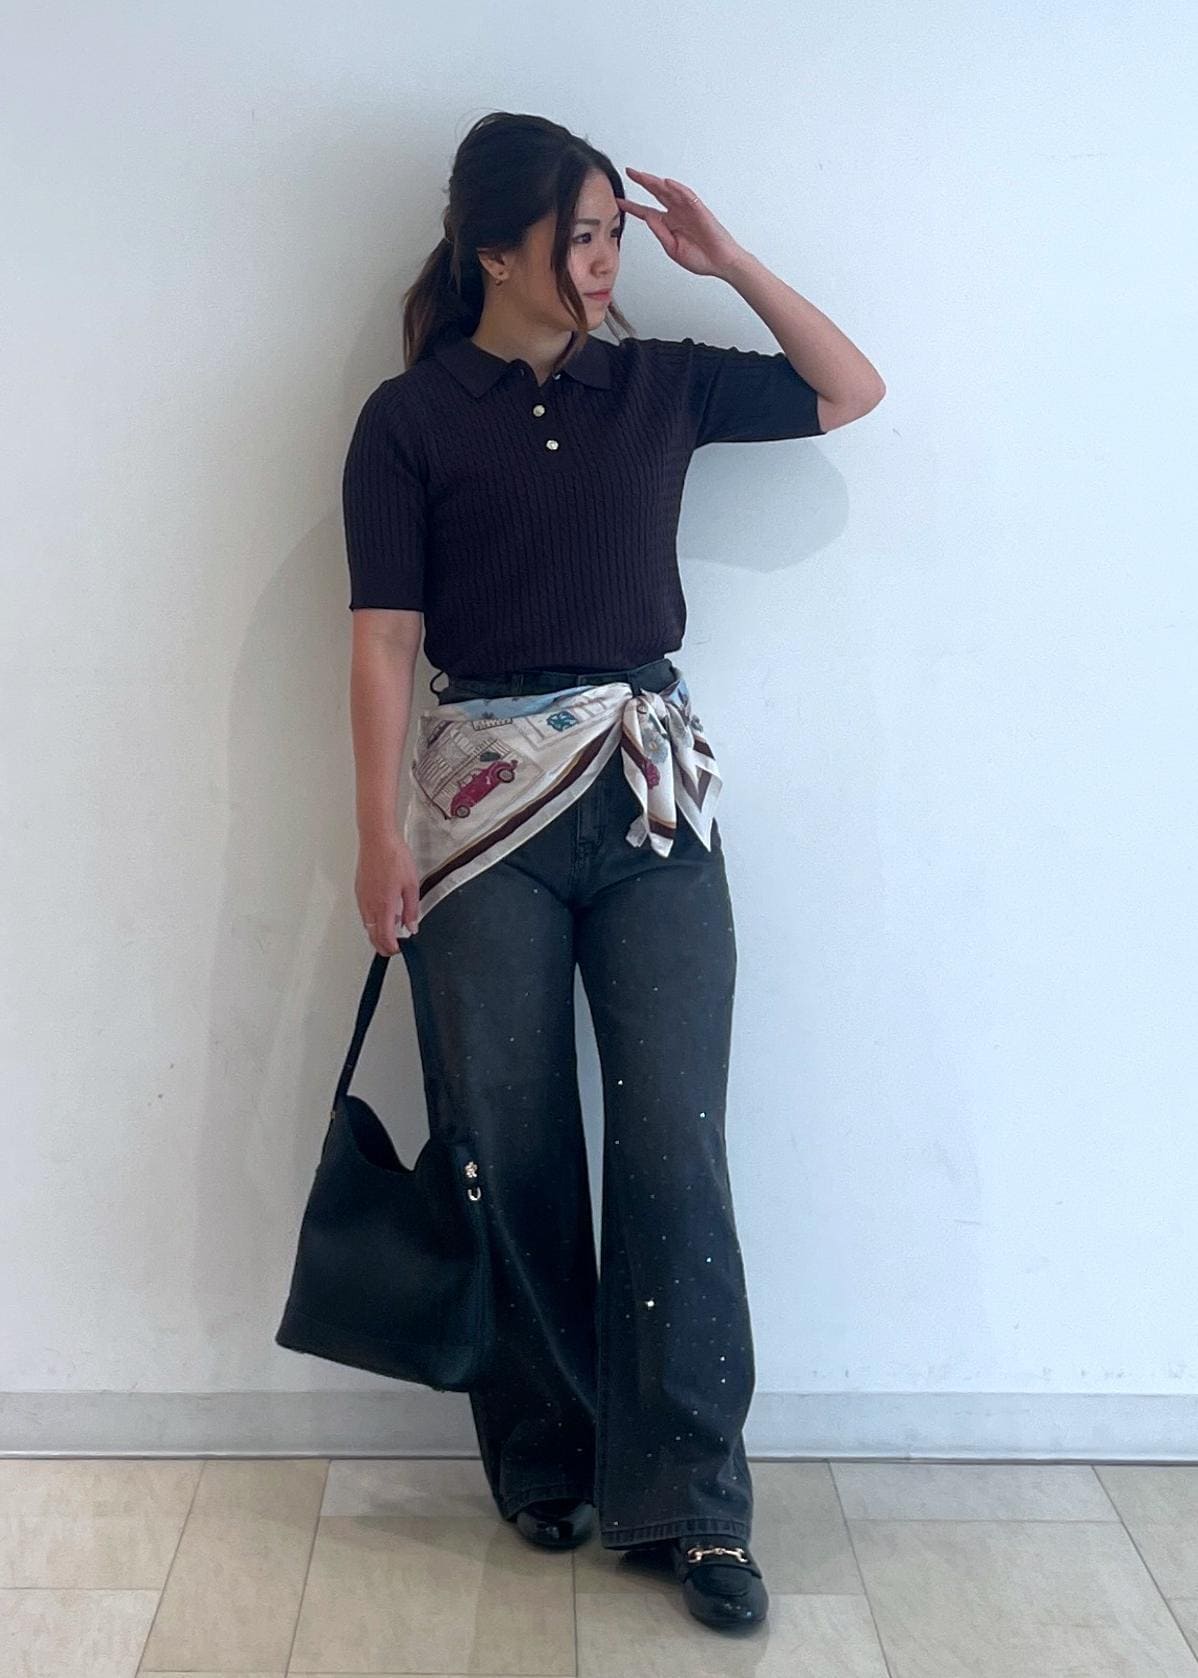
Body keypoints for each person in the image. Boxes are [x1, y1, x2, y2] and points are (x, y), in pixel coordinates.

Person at [341, 110, 885, 1632]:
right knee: (504, 1142)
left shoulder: (657, 384)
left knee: (673, 1146)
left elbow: (848, 389)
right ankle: (547, 1458)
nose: (603, 264)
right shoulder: (409, 418)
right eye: (577, 237)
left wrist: (729, 259)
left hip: (649, 805)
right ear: (493, 252)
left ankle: (693, 1506)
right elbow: (384, 639)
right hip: (479, 816)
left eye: (610, 235)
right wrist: (376, 834)